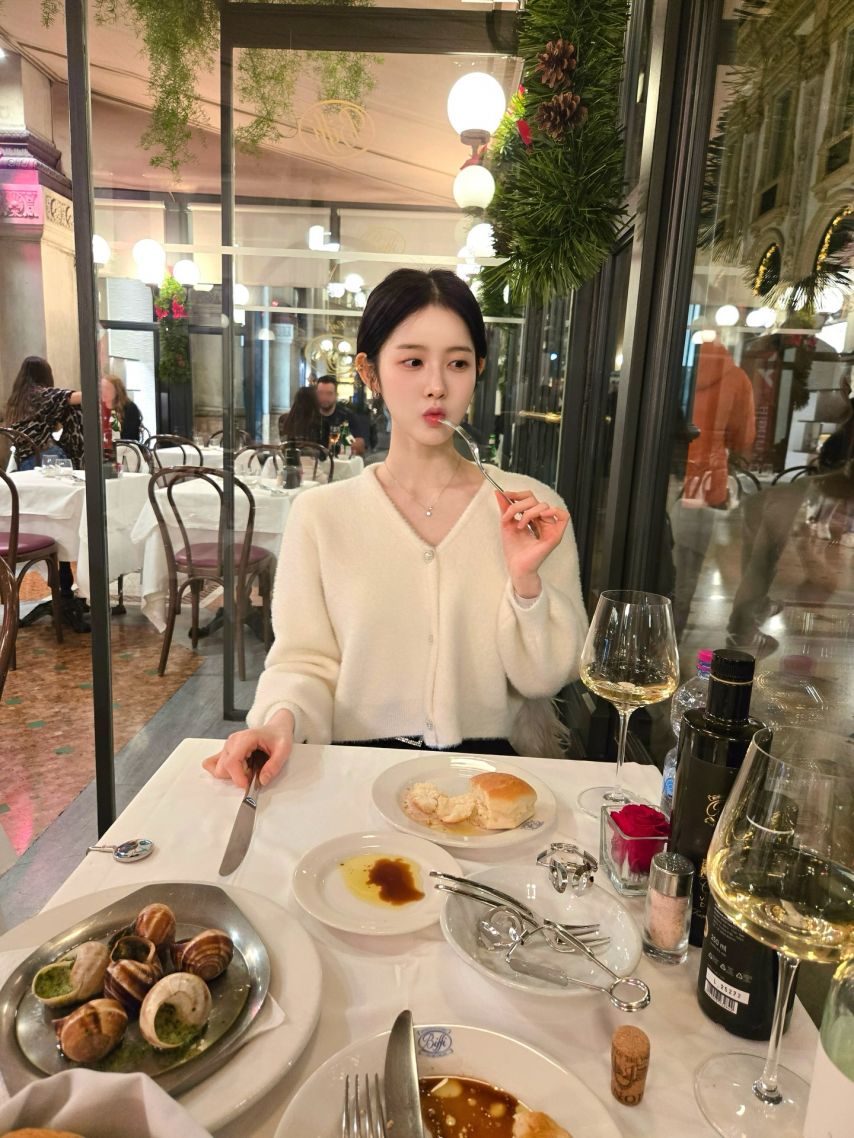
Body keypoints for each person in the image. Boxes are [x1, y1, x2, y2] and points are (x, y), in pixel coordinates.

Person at [204, 268, 588, 789]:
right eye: (412, 361)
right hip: (355, 776)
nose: (437, 386)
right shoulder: (321, 516)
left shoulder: (531, 510)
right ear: (370, 372)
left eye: (458, 363)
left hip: (486, 782)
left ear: (478, 369)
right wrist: (279, 721)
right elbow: (303, 661)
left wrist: (526, 586)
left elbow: (546, 678)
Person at [670, 337, 756, 637]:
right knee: (688, 566)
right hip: (704, 482)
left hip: (664, 475)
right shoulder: (737, 378)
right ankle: (672, 635)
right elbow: (743, 437)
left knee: (655, 552)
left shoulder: (675, 371)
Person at [3, 356, 84, 470]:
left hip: (24, 462)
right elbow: (71, 397)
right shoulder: (41, 395)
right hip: (47, 458)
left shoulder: (16, 400)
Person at [315, 375, 368, 457]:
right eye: (320, 393)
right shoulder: (309, 415)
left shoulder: (346, 417)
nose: (324, 397)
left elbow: (360, 445)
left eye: (329, 394)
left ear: (336, 395)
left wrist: (338, 445)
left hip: (339, 462)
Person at [100, 374, 143, 441]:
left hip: (125, 445)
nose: (103, 391)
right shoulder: (98, 407)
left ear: (117, 391)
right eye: (101, 388)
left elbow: (129, 436)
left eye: (107, 388)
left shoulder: (130, 408)